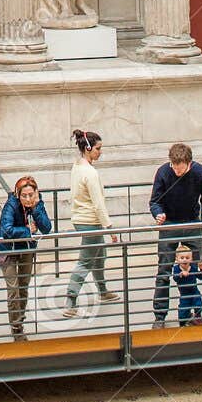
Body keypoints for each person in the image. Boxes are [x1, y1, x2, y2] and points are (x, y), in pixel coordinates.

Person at [149, 142, 202, 329]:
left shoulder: (200, 172)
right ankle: (159, 316)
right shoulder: (163, 172)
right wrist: (158, 214)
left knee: (197, 269)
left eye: (180, 169)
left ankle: (194, 312)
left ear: (189, 163)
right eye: (174, 167)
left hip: (192, 222)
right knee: (163, 272)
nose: (176, 172)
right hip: (169, 223)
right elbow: (154, 201)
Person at [63, 130, 120, 314]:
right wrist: (109, 227)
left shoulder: (77, 166)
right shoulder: (90, 173)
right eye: (98, 148)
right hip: (90, 221)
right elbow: (98, 204)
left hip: (82, 219)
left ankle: (102, 290)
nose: (100, 152)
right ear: (88, 148)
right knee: (86, 261)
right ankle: (70, 300)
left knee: (100, 255)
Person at [0, 177, 52, 340]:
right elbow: (6, 230)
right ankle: (16, 327)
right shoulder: (11, 205)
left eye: (31, 195)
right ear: (17, 194)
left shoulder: (37, 204)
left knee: (23, 286)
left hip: (27, 249)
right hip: (8, 250)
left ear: (36, 193)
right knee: (13, 289)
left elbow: (47, 228)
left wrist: (35, 208)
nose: (27, 199)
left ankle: (19, 322)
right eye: (24, 196)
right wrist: (27, 231)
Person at [171, 242, 202, 327]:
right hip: (184, 294)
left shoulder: (193, 267)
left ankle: (197, 316)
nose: (185, 260)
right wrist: (181, 274)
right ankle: (184, 320)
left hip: (194, 291)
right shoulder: (176, 269)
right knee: (183, 309)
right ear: (177, 259)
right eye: (182, 258)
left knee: (198, 304)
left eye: (187, 258)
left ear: (191, 259)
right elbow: (175, 278)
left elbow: (201, 277)